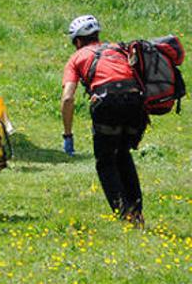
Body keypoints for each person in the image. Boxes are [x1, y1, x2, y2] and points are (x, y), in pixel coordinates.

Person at [61, 15, 147, 227]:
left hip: (107, 104)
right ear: (97, 35)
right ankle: (136, 212)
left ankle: (126, 215)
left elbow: (68, 98)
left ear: (78, 41)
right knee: (123, 153)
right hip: (136, 103)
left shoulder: (77, 57)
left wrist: (68, 135)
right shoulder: (119, 49)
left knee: (106, 161)